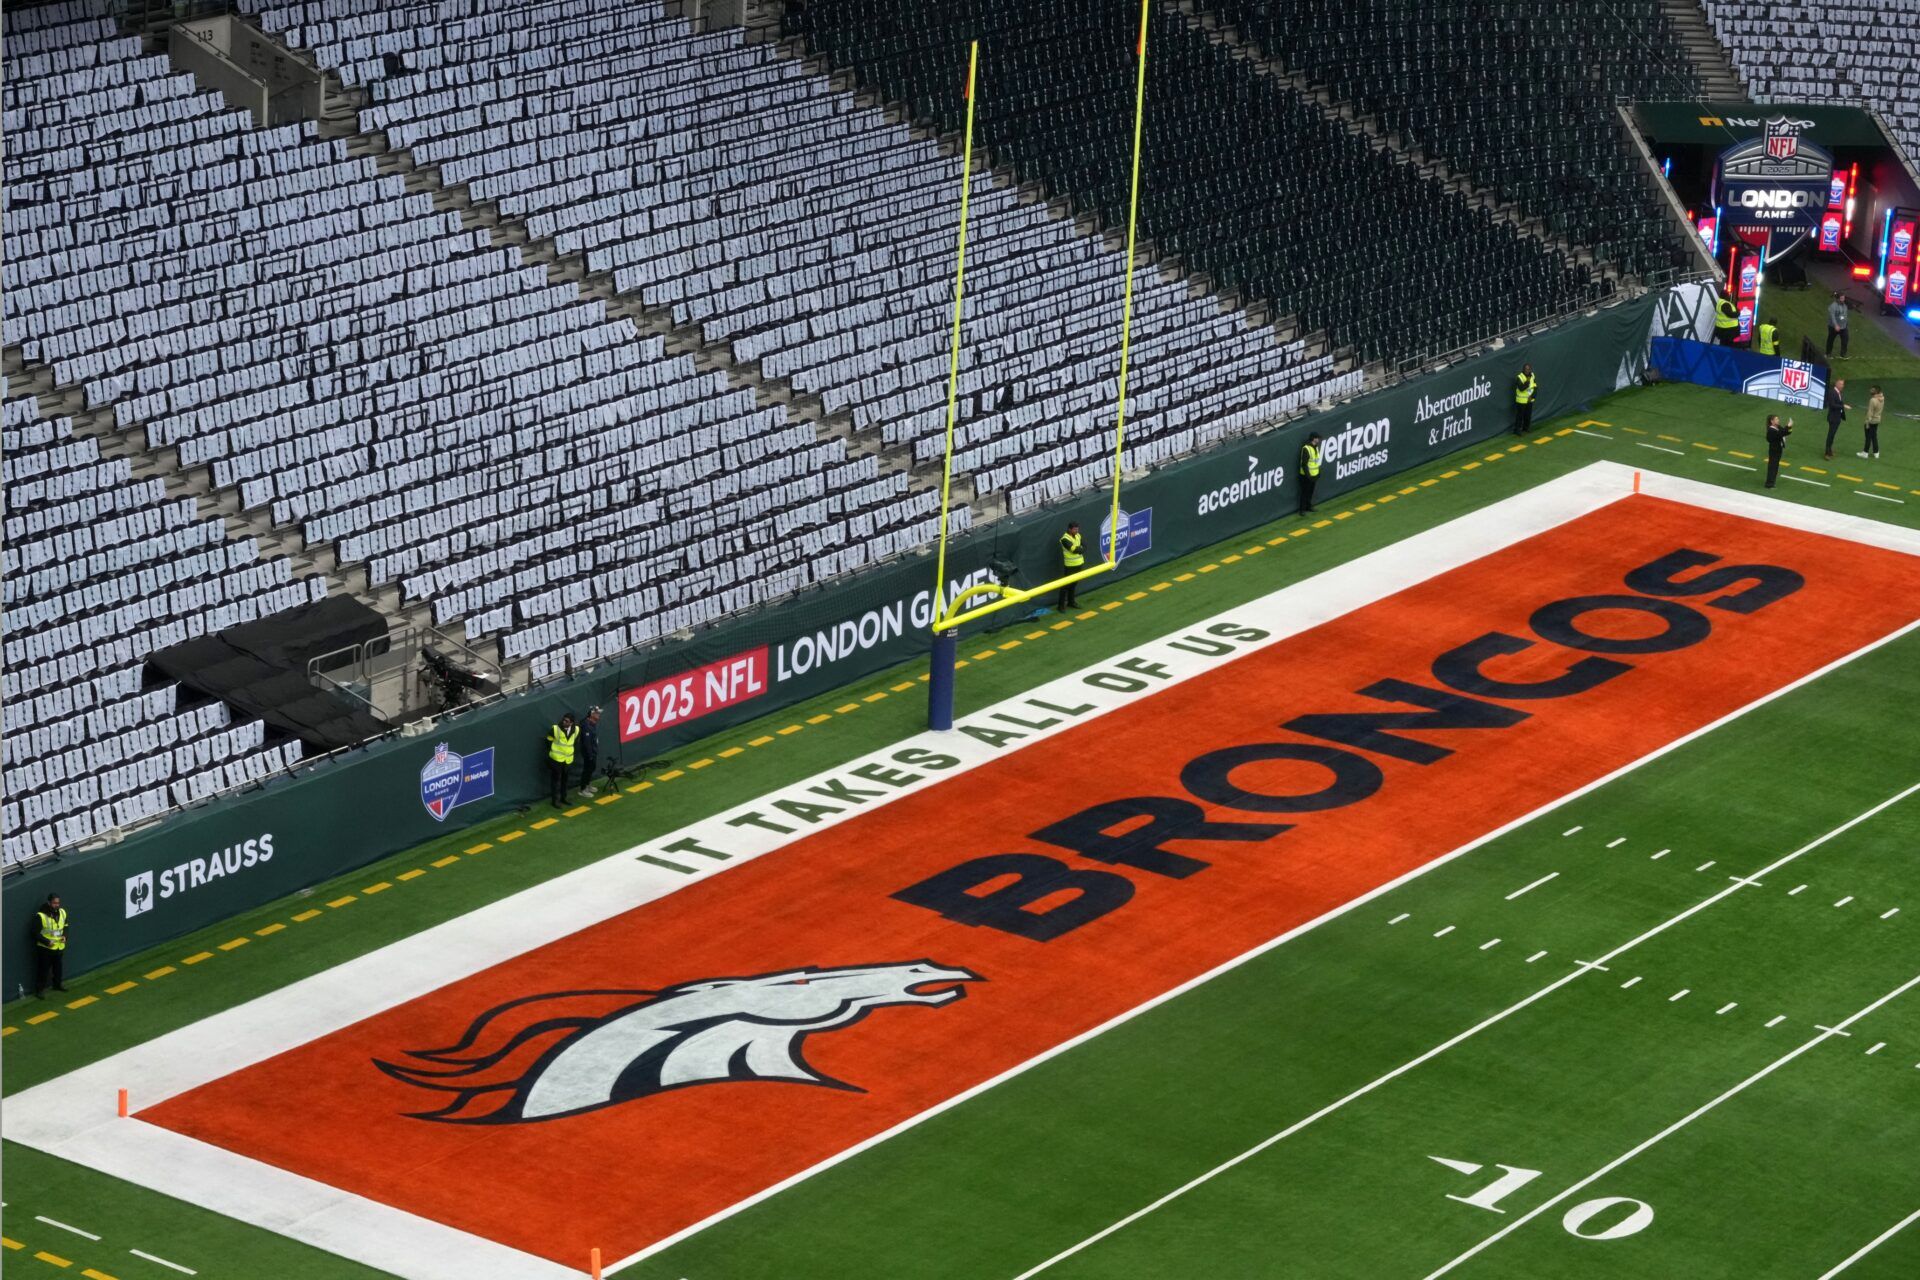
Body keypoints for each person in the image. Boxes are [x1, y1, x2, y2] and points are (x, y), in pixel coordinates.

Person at [33, 894, 69, 997]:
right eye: (54, 903)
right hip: (45, 948)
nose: (57, 905)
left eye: (58, 903)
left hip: (58, 946)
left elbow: (66, 926)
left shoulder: (62, 912)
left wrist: (65, 936)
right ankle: (39, 990)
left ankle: (57, 985)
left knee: (58, 968)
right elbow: (34, 933)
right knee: (43, 970)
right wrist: (47, 942)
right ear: (49, 903)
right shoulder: (41, 915)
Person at [545, 713, 579, 807]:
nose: (564, 722)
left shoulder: (576, 730)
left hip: (568, 760)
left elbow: (575, 742)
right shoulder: (555, 729)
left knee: (565, 780)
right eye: (563, 720)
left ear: (571, 723)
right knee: (555, 781)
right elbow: (548, 741)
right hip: (556, 760)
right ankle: (554, 801)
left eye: (566, 721)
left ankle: (564, 798)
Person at [1056, 521, 1083, 611]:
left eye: (1077, 529)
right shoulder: (1064, 539)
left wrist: (1079, 549)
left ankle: (1071, 602)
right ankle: (1060, 606)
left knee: (1074, 584)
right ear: (1069, 529)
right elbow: (1073, 550)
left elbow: (1085, 546)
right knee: (1065, 586)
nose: (1076, 531)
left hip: (1079, 564)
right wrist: (1080, 549)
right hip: (1070, 566)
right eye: (1075, 529)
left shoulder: (1078, 535)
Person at [576, 706, 603, 797]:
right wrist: (590, 754)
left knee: (591, 768)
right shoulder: (586, 726)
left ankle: (588, 784)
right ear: (592, 714)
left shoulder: (592, 723)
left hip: (593, 751)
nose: (599, 715)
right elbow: (587, 743)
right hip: (589, 753)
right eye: (597, 713)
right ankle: (583, 789)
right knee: (587, 770)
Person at [1823, 377, 1850, 459]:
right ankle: (1827, 453)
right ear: (1837, 384)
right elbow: (1832, 405)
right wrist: (1843, 406)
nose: (1843, 386)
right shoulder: (1832, 392)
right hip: (1833, 417)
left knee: (1832, 435)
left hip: (1837, 417)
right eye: (1841, 384)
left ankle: (1829, 451)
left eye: (1843, 384)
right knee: (1830, 435)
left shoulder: (1838, 392)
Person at [1764, 413, 1791, 488]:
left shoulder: (1778, 427)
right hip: (1774, 450)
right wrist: (1787, 426)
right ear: (1772, 421)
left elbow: (1786, 432)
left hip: (1779, 449)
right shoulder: (1771, 430)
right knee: (1772, 467)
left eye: (1778, 419)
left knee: (1775, 466)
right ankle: (1769, 484)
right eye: (1776, 419)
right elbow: (1780, 434)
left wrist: (1790, 427)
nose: (1778, 420)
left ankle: (1772, 482)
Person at [1511, 363, 1538, 435]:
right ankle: (1517, 430)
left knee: (1528, 415)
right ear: (1523, 369)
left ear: (1530, 369)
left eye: (1528, 369)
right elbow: (1521, 388)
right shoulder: (1519, 377)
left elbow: (1535, 387)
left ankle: (1526, 428)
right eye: (1526, 369)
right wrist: (1527, 382)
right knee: (1520, 416)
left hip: (1529, 399)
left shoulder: (1532, 375)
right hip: (1521, 400)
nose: (1527, 370)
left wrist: (1532, 396)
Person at [1299, 432, 1322, 514]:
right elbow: (1304, 464)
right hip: (1306, 476)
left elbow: (1316, 461)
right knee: (1305, 492)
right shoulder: (1306, 448)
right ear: (1313, 438)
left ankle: (1308, 506)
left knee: (1311, 492)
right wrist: (1308, 475)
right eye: (1317, 438)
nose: (1319, 439)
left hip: (1314, 474)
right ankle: (1302, 510)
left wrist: (1318, 472)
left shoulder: (1316, 448)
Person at [1860, 385, 1884, 460]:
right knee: (1874, 436)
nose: (1871, 390)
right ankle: (1876, 453)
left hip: (1871, 421)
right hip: (1877, 419)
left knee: (1868, 437)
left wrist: (1867, 422)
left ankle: (1865, 453)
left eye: (1872, 390)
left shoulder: (1873, 400)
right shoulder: (1882, 398)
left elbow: (1870, 412)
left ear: (1876, 391)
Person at [1826, 292, 1850, 359]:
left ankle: (1843, 355)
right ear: (1838, 299)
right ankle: (1828, 353)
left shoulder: (1845, 306)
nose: (1843, 299)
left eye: (1844, 298)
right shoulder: (1833, 306)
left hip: (1843, 327)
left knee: (1845, 339)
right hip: (1833, 327)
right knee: (1831, 340)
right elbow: (1832, 317)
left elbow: (1844, 316)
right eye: (1842, 298)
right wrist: (1836, 325)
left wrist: (1844, 321)